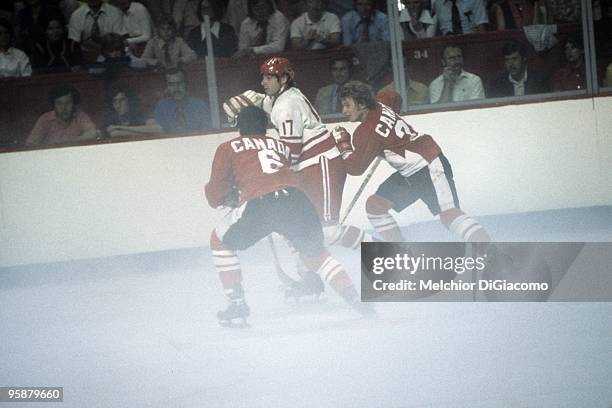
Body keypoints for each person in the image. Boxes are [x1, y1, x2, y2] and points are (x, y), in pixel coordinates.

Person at [206, 106, 373, 325]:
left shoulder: (228, 147)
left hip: (261, 203)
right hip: (297, 199)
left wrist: (227, 199)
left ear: (239, 127)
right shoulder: (280, 146)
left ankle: (237, 305)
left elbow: (215, 192)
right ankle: (356, 301)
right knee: (317, 256)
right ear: (266, 127)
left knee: (219, 241)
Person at [223, 57, 374, 297]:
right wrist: (253, 101)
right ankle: (310, 281)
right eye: (262, 77)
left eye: (269, 77)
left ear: (283, 78)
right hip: (308, 168)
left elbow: (290, 153)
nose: (263, 81)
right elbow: (269, 107)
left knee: (326, 231)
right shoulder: (283, 98)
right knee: (298, 227)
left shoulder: (285, 106)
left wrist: (265, 179)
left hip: (320, 164)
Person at [335, 81, 490, 249]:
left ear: (362, 104)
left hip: (428, 164)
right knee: (376, 206)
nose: (344, 111)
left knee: (449, 216)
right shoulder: (382, 101)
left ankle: (493, 255)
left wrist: (344, 145)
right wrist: (389, 131)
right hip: (410, 171)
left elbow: (355, 168)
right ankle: (401, 252)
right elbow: (396, 97)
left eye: (347, 105)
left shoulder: (365, 132)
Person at [26, 84, 97, 146]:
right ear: (53, 105)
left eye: (68, 102)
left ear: (74, 103)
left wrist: (69, 143)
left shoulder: (80, 116)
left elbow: (93, 133)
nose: (64, 108)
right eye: (59, 103)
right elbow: (30, 144)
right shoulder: (45, 119)